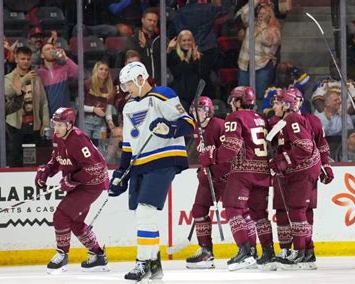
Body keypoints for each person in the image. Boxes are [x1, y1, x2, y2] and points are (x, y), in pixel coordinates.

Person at [108, 62, 195, 281]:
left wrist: (169, 128)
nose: (126, 88)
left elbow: (188, 124)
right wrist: (121, 173)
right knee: (142, 215)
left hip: (163, 159)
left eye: (128, 83)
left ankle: (143, 263)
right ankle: (155, 265)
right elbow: (129, 144)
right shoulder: (128, 107)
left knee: (146, 212)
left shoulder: (162, 95)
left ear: (140, 78)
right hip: (140, 164)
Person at [34, 107, 110, 274]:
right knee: (74, 222)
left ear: (69, 125)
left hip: (92, 185)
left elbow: (96, 168)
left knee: (61, 215)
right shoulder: (57, 137)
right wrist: (45, 172)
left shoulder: (78, 140)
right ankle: (98, 255)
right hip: (80, 183)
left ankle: (62, 255)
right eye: (55, 124)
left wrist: (72, 180)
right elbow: (57, 159)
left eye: (61, 125)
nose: (57, 129)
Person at [271, 87, 333, 270]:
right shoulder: (278, 121)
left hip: (299, 171)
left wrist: (325, 164)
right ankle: (294, 251)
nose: (275, 105)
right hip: (288, 173)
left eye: (278, 102)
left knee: (302, 211)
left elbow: (316, 145)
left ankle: (303, 251)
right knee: (286, 210)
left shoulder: (303, 120)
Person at [216, 86, 275, 271]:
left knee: (233, 209)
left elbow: (231, 147)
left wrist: (213, 158)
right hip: (263, 171)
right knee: (259, 214)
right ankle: (268, 253)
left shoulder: (235, 117)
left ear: (239, 101)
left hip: (243, 171)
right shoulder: (261, 118)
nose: (232, 104)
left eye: (234, 100)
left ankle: (246, 252)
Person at [185, 96, 225, 269]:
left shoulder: (218, 124)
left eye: (199, 109)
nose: (196, 113)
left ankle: (249, 250)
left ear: (208, 110)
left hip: (225, 176)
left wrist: (215, 166)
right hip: (208, 176)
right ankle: (206, 252)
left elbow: (228, 152)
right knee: (198, 209)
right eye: (194, 110)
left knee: (237, 212)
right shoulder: (196, 128)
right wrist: (203, 168)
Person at [236, 0, 281, 101]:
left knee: (260, 96)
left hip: (261, 65)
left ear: (269, 15)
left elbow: (268, 41)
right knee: (242, 94)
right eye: (259, 13)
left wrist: (262, 26)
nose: (260, 16)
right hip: (245, 64)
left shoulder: (273, 29)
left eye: (264, 14)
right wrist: (254, 2)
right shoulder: (251, 24)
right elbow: (243, 13)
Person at [38, 43, 78, 115]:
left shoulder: (63, 69)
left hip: (64, 116)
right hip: (47, 116)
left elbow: (80, 74)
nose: (51, 51)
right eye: (48, 49)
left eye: (53, 49)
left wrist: (65, 58)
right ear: (42, 55)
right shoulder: (39, 73)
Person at [83, 60, 116, 146]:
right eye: (101, 69)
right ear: (96, 70)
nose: (104, 71)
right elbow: (79, 106)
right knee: (86, 146)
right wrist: (94, 109)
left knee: (100, 148)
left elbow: (108, 110)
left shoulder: (110, 88)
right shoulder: (87, 84)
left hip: (101, 123)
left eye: (106, 70)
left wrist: (110, 121)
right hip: (87, 121)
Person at [129, 8, 161, 84]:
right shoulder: (134, 38)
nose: (152, 23)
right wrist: (143, 47)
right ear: (142, 20)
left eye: (155, 21)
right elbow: (131, 60)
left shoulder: (160, 39)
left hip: (159, 82)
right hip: (141, 83)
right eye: (150, 20)